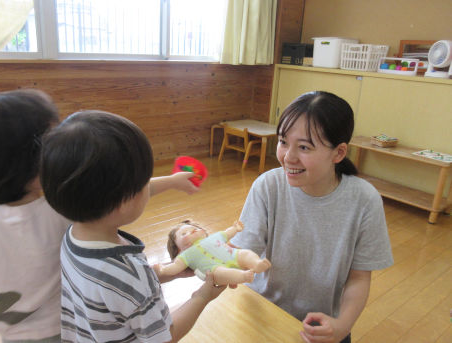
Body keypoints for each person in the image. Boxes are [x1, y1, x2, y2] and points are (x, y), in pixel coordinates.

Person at [0, 90, 198, 343]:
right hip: (71, 326)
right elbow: (120, 195)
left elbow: (122, 193)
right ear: (39, 161)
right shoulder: (56, 206)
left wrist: (172, 181)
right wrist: (172, 182)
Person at [40, 110, 226, 343]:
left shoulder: (73, 237)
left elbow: (119, 295)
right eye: (142, 182)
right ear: (123, 201)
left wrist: (172, 181)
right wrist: (202, 296)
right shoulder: (130, 274)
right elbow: (165, 337)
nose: (147, 187)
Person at [230, 91, 394, 343]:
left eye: (304, 147)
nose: (288, 157)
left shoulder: (364, 200)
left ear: (338, 153)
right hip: (262, 310)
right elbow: (241, 251)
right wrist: (209, 255)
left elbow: (359, 278)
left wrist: (342, 326)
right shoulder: (268, 186)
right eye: (283, 141)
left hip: (323, 326)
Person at [160, 219, 271, 284]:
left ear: (203, 232)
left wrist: (235, 229)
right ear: (178, 249)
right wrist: (163, 270)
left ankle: (257, 264)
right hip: (214, 269)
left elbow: (227, 233)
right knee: (220, 273)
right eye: (184, 234)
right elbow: (175, 267)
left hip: (233, 255)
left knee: (245, 253)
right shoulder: (184, 256)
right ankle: (243, 276)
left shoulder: (212, 238)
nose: (191, 231)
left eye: (193, 228)